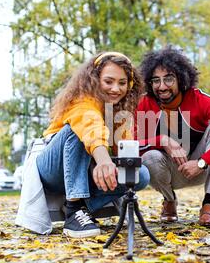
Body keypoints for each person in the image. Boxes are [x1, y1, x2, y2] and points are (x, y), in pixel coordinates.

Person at [16, 52, 150, 238]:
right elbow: (90, 127)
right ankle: (74, 210)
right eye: (108, 81)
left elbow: (123, 148)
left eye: (122, 83)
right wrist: (103, 161)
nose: (116, 88)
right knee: (75, 131)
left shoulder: (120, 111)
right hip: (52, 170)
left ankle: (81, 208)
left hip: (84, 170)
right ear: (95, 79)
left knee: (139, 173)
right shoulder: (81, 101)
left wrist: (122, 163)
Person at [135, 46, 210, 226]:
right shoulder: (145, 103)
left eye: (169, 79)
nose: (162, 86)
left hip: (202, 166)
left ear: (181, 79)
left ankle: (209, 204)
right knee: (149, 156)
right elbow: (130, 145)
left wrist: (203, 162)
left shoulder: (198, 99)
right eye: (156, 80)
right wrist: (162, 141)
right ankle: (169, 200)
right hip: (167, 171)